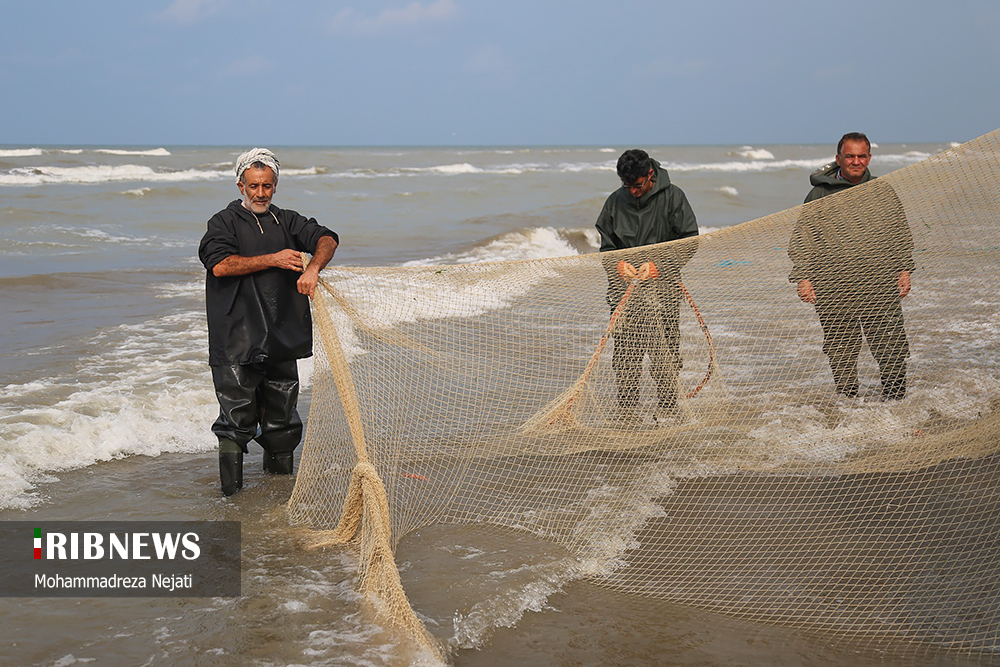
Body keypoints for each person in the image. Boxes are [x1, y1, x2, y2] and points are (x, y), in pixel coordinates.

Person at [199, 148, 338, 496]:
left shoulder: (287, 221)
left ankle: (276, 502)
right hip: (236, 337)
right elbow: (220, 265)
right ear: (240, 186)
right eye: (253, 186)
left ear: (275, 185)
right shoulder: (223, 223)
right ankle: (230, 500)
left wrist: (314, 267)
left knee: (283, 422)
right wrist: (273, 259)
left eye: (267, 186)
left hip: (282, 336)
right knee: (235, 421)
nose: (261, 193)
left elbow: (327, 238)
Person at [789, 132, 915, 401]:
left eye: (861, 156)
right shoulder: (820, 194)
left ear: (869, 158)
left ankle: (896, 408)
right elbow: (803, 238)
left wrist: (904, 269)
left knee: (891, 349)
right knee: (841, 353)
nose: (856, 161)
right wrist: (802, 278)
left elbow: (900, 232)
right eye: (850, 156)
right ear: (838, 159)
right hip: (834, 289)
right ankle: (849, 409)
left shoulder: (883, 191)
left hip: (880, 286)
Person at [595, 149, 698, 424]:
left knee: (665, 353)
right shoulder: (615, 202)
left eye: (638, 185)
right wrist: (617, 265)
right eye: (627, 186)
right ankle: (628, 413)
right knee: (626, 356)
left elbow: (690, 240)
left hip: (663, 291)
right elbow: (607, 248)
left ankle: (667, 408)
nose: (633, 192)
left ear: (650, 174)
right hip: (624, 295)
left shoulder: (674, 197)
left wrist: (658, 267)